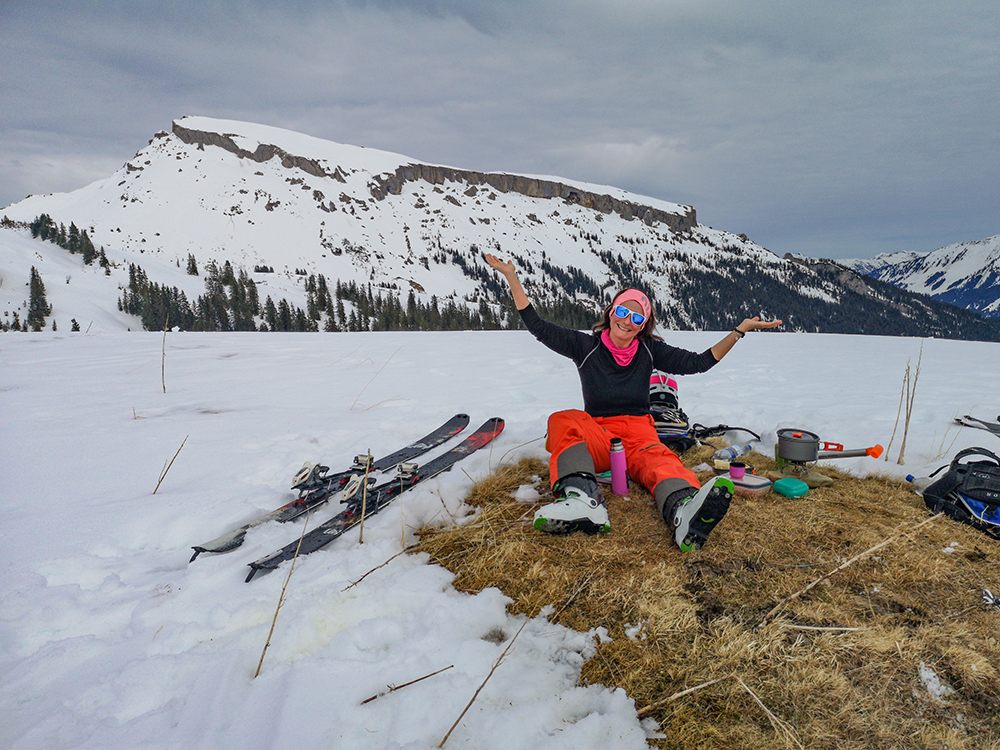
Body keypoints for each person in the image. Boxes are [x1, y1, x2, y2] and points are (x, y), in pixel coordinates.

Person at [484, 252, 782, 552]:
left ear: (643, 325)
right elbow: (538, 326)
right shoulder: (584, 346)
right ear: (610, 312)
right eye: (622, 312)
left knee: (662, 462)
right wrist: (511, 276)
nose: (627, 321)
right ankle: (582, 501)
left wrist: (739, 331)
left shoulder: (650, 351)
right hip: (599, 436)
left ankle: (683, 511)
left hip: (640, 435)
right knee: (562, 420)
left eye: (637, 317)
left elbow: (700, 362)